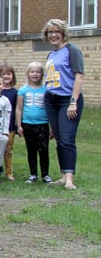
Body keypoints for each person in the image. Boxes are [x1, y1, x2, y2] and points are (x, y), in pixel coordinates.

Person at [42, 19, 84, 190]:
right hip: (52, 100)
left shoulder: (72, 50)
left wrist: (73, 102)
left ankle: (69, 179)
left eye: (56, 32)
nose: (53, 35)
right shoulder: (51, 54)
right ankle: (63, 175)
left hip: (68, 99)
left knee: (67, 139)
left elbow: (79, 76)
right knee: (59, 139)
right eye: (49, 32)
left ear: (63, 33)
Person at [16, 62, 51, 184]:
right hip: (27, 124)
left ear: (42, 74)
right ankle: (33, 174)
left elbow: (50, 109)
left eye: (38, 71)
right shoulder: (22, 90)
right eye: (32, 71)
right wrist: (19, 125)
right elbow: (19, 109)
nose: (35, 74)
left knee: (44, 150)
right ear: (27, 73)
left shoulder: (46, 90)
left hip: (43, 124)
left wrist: (51, 127)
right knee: (31, 150)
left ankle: (45, 175)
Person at [0, 64, 19, 181]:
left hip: (9, 126)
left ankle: (9, 172)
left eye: (8, 74)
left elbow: (17, 110)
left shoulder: (15, 92)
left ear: (12, 76)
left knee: (8, 150)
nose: (5, 76)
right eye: (2, 74)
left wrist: (17, 125)